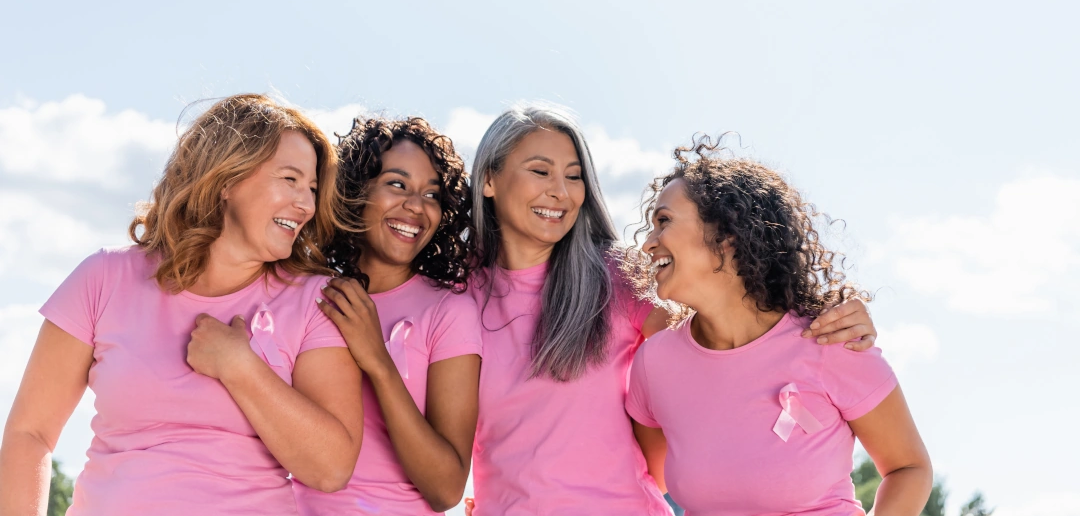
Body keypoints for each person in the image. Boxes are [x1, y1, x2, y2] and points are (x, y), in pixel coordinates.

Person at [464, 105, 879, 516]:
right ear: (488, 179)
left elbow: (725, 335)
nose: (561, 191)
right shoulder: (457, 294)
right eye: (541, 171)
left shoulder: (617, 276)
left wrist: (821, 313)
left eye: (574, 176)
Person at [0, 94, 364, 516]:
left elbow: (331, 467)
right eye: (290, 179)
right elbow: (30, 434)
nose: (306, 204)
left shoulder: (313, 300)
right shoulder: (103, 278)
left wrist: (240, 367)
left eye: (313, 188)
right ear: (227, 179)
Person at [625, 136, 932, 516]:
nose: (648, 244)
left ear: (726, 235)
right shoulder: (655, 364)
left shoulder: (829, 340)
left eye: (664, 222)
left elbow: (909, 469)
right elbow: (647, 484)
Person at [295, 117, 482, 515]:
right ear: (355, 193)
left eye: (431, 194)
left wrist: (378, 362)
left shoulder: (448, 311)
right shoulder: (307, 293)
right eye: (397, 184)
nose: (416, 206)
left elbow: (447, 488)